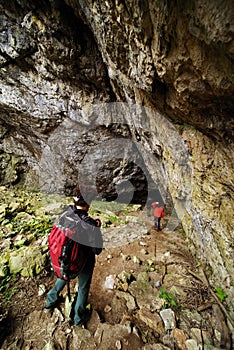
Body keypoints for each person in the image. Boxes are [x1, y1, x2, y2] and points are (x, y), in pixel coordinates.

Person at [44, 186, 103, 327]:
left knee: (63, 276)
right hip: (83, 261)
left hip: (64, 259)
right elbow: (97, 250)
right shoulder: (89, 223)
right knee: (83, 287)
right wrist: (96, 228)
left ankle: (50, 302)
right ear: (88, 203)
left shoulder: (65, 214)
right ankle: (78, 318)